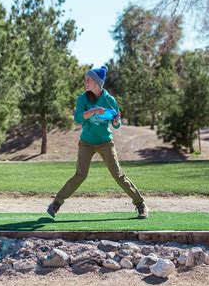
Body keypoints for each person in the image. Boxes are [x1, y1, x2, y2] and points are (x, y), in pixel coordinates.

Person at [47, 65, 148, 219]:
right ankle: (56, 204)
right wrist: (94, 111)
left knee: (118, 175)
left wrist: (116, 120)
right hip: (86, 142)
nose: (85, 82)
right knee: (80, 175)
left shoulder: (109, 100)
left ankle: (140, 204)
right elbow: (78, 118)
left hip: (105, 142)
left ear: (97, 83)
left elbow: (117, 124)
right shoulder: (83, 98)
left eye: (89, 80)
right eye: (85, 79)